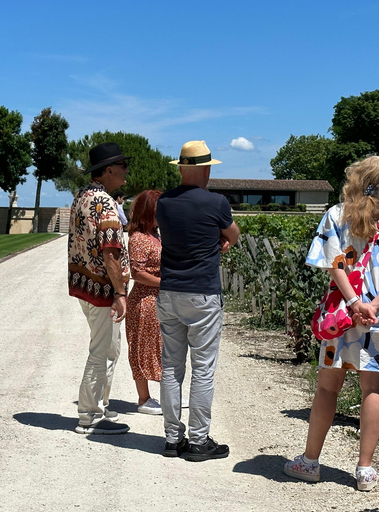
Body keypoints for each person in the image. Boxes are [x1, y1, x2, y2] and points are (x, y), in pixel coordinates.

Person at [284, 155, 379, 490]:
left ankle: (310, 462)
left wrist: (354, 303)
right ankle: (365, 470)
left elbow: (334, 264)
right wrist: (374, 305)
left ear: (355, 179)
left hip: (344, 316)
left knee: (327, 386)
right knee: (374, 389)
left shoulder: (336, 216)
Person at [155, 140, 240, 461]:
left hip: (169, 292)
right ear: (204, 169)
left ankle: (172, 439)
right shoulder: (216, 202)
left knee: (171, 368)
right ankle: (199, 440)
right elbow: (234, 234)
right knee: (202, 369)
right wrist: (219, 239)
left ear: (180, 168)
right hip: (202, 292)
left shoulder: (164, 202)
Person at [68, 142, 132, 435]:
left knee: (109, 348)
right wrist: (120, 293)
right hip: (102, 289)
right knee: (101, 350)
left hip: (84, 284)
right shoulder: (105, 203)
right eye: (122, 167)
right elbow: (111, 252)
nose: (127, 173)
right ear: (108, 170)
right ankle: (89, 415)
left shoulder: (81, 196)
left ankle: (100, 406)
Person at [125, 189, 164, 415]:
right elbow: (137, 273)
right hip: (144, 300)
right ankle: (144, 399)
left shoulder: (156, 234)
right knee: (143, 347)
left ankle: (167, 394)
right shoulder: (139, 238)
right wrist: (166, 282)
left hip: (158, 298)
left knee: (161, 347)